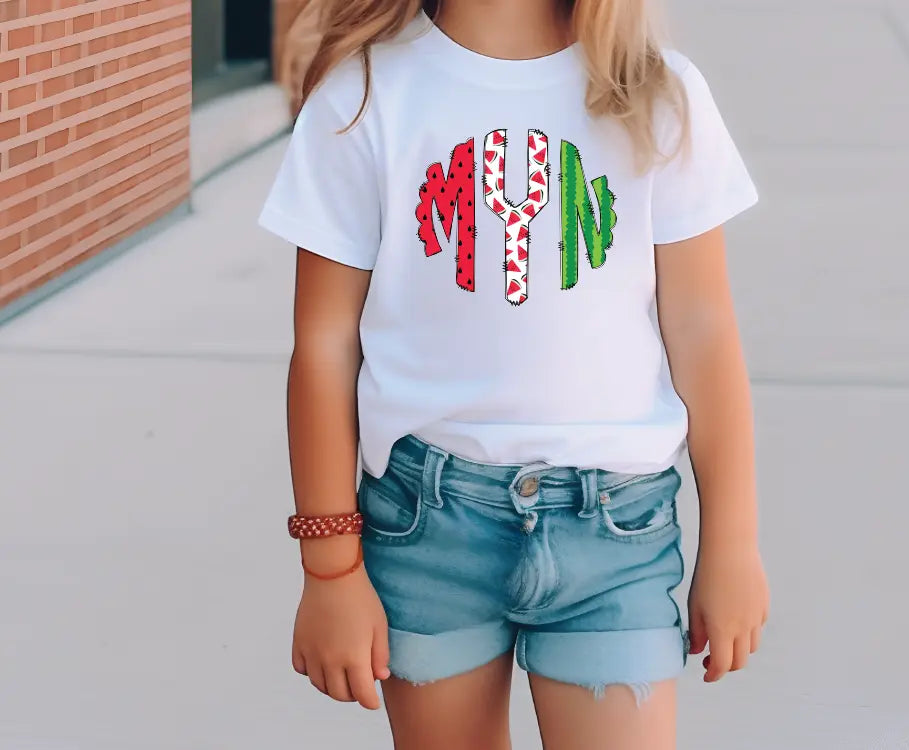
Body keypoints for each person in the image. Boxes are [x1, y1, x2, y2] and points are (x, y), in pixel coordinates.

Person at [258, 1, 769, 747]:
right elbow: (325, 342)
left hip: (614, 533)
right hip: (427, 528)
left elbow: (704, 330)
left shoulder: (657, 93)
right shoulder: (364, 94)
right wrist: (330, 570)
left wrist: (733, 542)